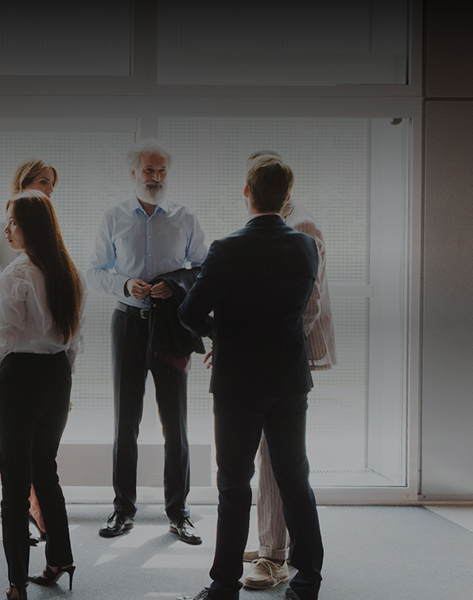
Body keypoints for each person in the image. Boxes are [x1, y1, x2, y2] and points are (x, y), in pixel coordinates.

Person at [176, 154, 325, 600]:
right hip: (288, 378)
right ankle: (308, 581)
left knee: (234, 484)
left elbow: (189, 313)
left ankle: (223, 587)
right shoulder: (305, 246)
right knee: (295, 478)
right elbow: (295, 307)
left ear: (247, 193)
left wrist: (222, 331)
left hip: (239, 381)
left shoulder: (227, 248)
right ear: (286, 198)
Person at [87, 139, 209, 544]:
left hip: (172, 327)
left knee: (175, 422)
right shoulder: (114, 216)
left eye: (161, 172)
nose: (155, 178)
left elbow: (203, 268)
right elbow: (95, 270)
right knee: (126, 421)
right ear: (134, 174)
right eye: (148, 171)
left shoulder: (185, 217)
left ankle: (179, 511)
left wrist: (174, 286)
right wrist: (124, 283)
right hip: (129, 324)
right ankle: (123, 510)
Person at [0, 190, 83, 600]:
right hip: (57, 376)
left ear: (30, 227)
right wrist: (63, 383)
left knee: (15, 483)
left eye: (14, 223)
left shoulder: (17, 275)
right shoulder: (70, 272)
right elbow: (73, 341)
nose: (7, 230)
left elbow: (4, 335)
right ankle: (60, 559)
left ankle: (16, 581)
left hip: (19, 378)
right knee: (46, 471)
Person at [237, 151, 335, 592]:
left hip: (282, 360)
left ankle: (275, 555)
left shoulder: (302, 226)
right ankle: (270, 541)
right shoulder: (280, 221)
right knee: (272, 456)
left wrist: (258, 345)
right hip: (275, 359)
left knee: (279, 462)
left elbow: (306, 307)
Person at [7, 158, 58, 543]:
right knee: (21, 458)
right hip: (15, 353)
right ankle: (27, 516)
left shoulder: (48, 233)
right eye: (43, 182)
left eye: (52, 184)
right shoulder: (10, 234)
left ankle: (40, 515)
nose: (48, 190)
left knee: (40, 459)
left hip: (43, 358)